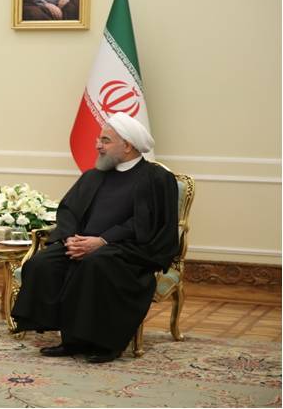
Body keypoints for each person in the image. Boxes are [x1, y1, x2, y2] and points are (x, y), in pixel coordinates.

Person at [11, 112, 179, 363]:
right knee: (42, 263)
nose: (98, 145)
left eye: (105, 140)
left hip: (129, 248)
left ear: (128, 145)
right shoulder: (94, 175)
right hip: (82, 243)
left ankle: (105, 344)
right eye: (99, 139)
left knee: (94, 264)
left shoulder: (156, 178)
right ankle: (70, 340)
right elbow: (68, 210)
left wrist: (102, 241)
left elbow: (146, 223)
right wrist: (70, 238)